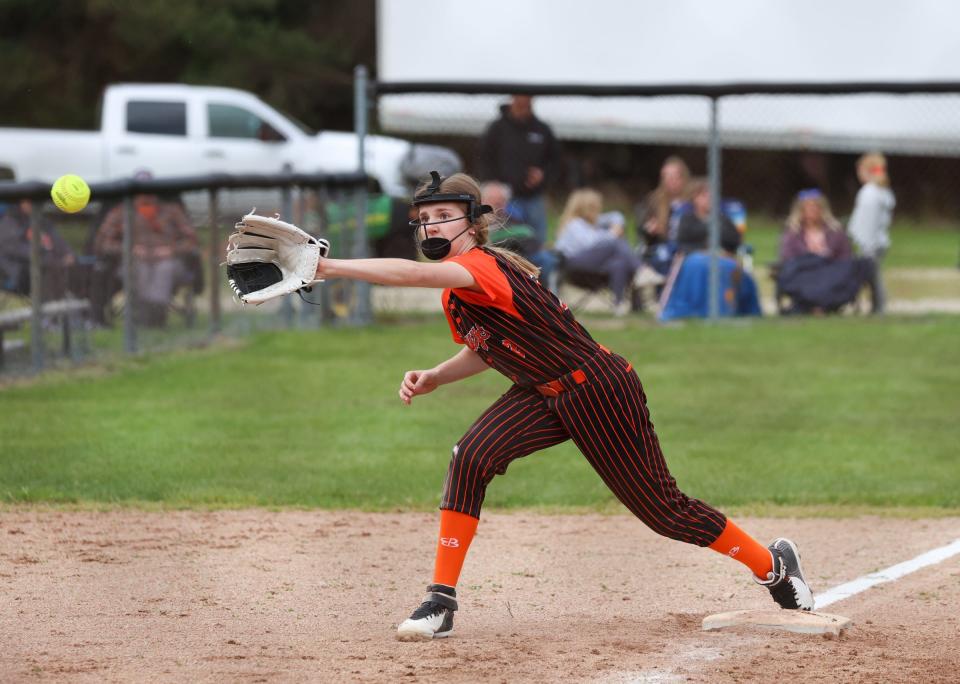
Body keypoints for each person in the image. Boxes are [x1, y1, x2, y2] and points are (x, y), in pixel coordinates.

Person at [312, 171, 815, 641]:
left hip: (598, 388)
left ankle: (772, 564)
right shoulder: (458, 289)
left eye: (443, 215)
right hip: (542, 390)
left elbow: (405, 276)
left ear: (473, 220)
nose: (431, 226)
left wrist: (329, 267)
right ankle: (440, 602)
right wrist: (438, 378)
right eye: (423, 219)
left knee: (663, 512)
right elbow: (485, 345)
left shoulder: (479, 267)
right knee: (471, 456)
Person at [93, 171, 199, 327]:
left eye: (149, 189)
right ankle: (146, 316)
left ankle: (155, 315)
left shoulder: (172, 210)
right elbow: (102, 243)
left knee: (164, 268)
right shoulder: (121, 212)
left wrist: (171, 250)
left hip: (169, 262)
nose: (146, 194)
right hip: (133, 262)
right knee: (138, 268)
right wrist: (129, 250)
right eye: (141, 189)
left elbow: (192, 240)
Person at [476, 94, 561, 249]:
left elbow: (555, 161)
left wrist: (543, 174)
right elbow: (484, 158)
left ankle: (537, 270)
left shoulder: (542, 129)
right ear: (513, 99)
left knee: (536, 242)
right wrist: (492, 185)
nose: (524, 103)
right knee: (507, 242)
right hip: (505, 199)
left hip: (533, 197)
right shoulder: (497, 128)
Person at [776, 189, 872, 314]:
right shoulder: (792, 233)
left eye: (816, 207)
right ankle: (816, 305)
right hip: (804, 272)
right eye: (808, 207)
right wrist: (811, 257)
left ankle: (819, 305)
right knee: (795, 275)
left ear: (823, 209)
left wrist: (824, 256)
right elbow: (787, 258)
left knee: (851, 270)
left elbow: (845, 256)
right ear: (800, 210)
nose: (812, 211)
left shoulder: (835, 231)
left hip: (831, 272)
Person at [554, 188, 643, 316]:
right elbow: (590, 243)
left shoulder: (590, 223)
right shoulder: (574, 224)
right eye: (596, 207)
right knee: (615, 242)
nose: (599, 210)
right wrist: (613, 233)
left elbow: (616, 216)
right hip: (575, 266)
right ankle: (641, 270)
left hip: (594, 265)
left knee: (619, 263)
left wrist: (615, 228)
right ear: (588, 208)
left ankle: (619, 305)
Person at [481, 181, 559, 291]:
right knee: (545, 260)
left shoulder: (512, 219)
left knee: (550, 258)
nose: (497, 202)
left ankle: (548, 297)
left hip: (524, 255)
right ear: (482, 200)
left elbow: (528, 235)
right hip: (499, 260)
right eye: (492, 198)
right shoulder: (479, 223)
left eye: (501, 199)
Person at [847, 152, 895, 314]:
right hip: (879, 241)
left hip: (871, 243)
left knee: (873, 277)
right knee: (873, 276)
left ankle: (879, 307)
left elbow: (867, 221)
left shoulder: (869, 193)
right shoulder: (883, 191)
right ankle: (877, 305)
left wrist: (860, 239)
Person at [0, 199, 76, 300]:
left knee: (79, 266)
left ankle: (84, 308)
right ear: (21, 202)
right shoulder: (10, 222)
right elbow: (19, 251)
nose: (36, 204)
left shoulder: (42, 221)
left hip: (51, 266)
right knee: (48, 271)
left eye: (38, 201)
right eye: (30, 201)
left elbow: (59, 242)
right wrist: (55, 261)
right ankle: (52, 310)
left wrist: (69, 254)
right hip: (19, 273)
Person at [635, 156, 691, 274]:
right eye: (666, 177)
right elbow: (643, 232)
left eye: (674, 177)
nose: (669, 181)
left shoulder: (692, 200)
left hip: (687, 248)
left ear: (683, 178)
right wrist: (650, 230)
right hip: (661, 246)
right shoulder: (654, 200)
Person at [675, 178, 742, 255]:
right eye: (704, 196)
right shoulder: (687, 220)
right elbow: (682, 244)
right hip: (695, 258)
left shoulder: (723, 219)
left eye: (712, 195)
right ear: (694, 198)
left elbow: (735, 241)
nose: (709, 199)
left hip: (722, 257)